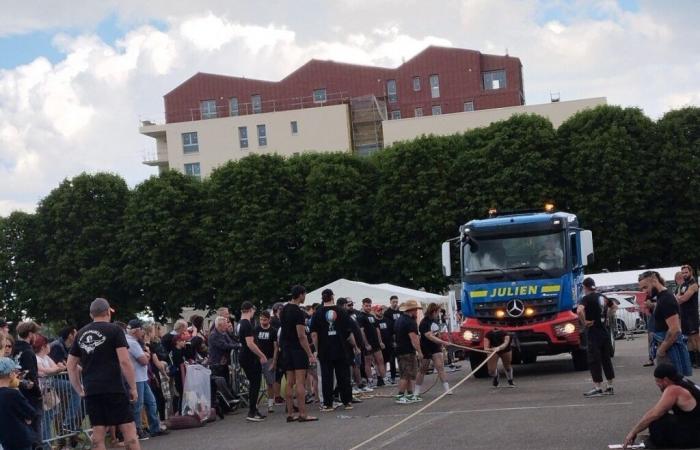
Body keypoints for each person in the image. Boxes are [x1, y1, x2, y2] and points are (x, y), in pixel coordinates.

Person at [67, 298, 141, 450]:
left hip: (92, 389)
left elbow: (70, 364)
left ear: (91, 314)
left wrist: (78, 389)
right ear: (108, 312)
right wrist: (133, 387)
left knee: (98, 437)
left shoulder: (80, 333)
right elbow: (125, 362)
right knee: (129, 434)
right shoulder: (115, 330)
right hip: (114, 388)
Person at [623, 363, 700, 449]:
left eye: (657, 381)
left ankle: (658, 443)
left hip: (695, 436)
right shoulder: (685, 382)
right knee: (664, 417)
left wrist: (633, 432)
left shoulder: (673, 389)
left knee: (656, 422)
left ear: (666, 380)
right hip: (694, 425)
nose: (657, 384)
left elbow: (654, 414)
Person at [639, 271, 692, 376]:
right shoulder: (661, 297)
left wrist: (661, 350)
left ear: (654, 280)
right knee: (670, 384)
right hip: (668, 347)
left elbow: (675, 329)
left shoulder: (666, 298)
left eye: (645, 287)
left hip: (669, 349)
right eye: (642, 289)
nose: (644, 291)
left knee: (671, 384)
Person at [311, 289, 356, 412]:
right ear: (332, 297)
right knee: (344, 376)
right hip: (341, 348)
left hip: (325, 350)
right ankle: (347, 402)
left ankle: (328, 404)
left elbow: (314, 335)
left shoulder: (317, 313)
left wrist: (317, 349)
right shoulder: (342, 311)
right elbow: (349, 333)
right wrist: (355, 347)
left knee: (327, 377)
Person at [280, 285, 317, 422]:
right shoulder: (298, 312)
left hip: (286, 348)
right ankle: (303, 413)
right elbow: (301, 336)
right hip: (297, 349)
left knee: (290, 382)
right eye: (304, 294)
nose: (305, 297)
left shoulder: (283, 310)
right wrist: (309, 354)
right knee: (300, 382)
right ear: (300, 295)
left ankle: (290, 413)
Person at [125, 319, 165, 439]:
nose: (143, 332)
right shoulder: (132, 343)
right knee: (138, 405)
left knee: (151, 402)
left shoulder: (134, 341)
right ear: (136, 330)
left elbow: (145, 357)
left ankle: (154, 427)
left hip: (142, 377)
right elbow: (143, 361)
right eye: (141, 330)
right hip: (136, 378)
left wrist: (146, 355)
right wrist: (147, 355)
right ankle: (138, 430)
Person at [577, 277, 616, 397]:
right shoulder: (602, 296)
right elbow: (614, 306)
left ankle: (597, 387)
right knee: (606, 359)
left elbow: (579, 311)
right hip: (604, 331)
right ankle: (610, 386)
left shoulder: (586, 298)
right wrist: (607, 317)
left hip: (593, 332)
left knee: (594, 360)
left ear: (585, 287)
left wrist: (584, 322)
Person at [12, 320, 43, 448]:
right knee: (35, 432)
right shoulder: (28, 352)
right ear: (30, 334)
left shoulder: (13, 350)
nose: (36, 337)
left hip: (16, 393)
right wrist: (38, 393)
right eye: (35, 334)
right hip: (30, 396)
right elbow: (31, 376)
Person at [415, 303, 453, 397]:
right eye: (438, 312)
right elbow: (430, 336)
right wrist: (443, 342)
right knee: (423, 369)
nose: (439, 314)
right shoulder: (424, 323)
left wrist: (442, 343)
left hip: (436, 347)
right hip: (426, 347)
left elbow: (437, 334)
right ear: (433, 312)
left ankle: (447, 389)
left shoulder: (435, 321)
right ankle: (416, 391)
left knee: (440, 367)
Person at [238, 301, 267, 422]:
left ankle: (254, 409)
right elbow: (250, 343)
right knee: (255, 384)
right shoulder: (247, 324)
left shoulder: (240, 323)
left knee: (253, 384)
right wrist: (262, 355)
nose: (254, 312)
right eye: (253, 310)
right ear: (250, 310)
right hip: (249, 357)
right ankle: (251, 412)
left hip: (245, 356)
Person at [0, 357, 36, 450]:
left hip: (4, 440)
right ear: (11, 374)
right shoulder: (13, 394)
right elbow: (31, 413)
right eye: (15, 372)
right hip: (19, 439)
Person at [394, 300, 423, 404]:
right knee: (406, 375)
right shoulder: (410, 322)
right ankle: (400, 395)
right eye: (416, 310)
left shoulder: (399, 320)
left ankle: (410, 394)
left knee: (407, 374)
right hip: (407, 350)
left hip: (400, 349)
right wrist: (419, 351)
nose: (417, 312)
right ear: (412, 310)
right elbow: (414, 339)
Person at [357, 298, 386, 388]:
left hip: (376, 343)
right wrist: (366, 344)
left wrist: (380, 341)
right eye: (366, 305)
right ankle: (370, 381)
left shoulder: (372, 316)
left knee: (380, 360)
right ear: (362, 306)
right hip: (367, 344)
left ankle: (382, 379)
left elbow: (377, 330)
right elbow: (361, 331)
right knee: (368, 362)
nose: (368, 307)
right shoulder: (360, 317)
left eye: (369, 305)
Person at [676, 264, 699, 368]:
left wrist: (678, 298)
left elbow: (683, 298)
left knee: (695, 339)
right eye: (683, 273)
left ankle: (698, 360)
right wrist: (679, 298)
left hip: (692, 315)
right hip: (684, 314)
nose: (684, 274)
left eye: (686, 272)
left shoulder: (694, 284)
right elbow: (678, 297)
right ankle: (692, 360)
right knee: (688, 339)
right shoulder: (683, 284)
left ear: (691, 272)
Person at [254, 310, 278, 413]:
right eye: (261, 319)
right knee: (256, 382)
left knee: (270, 383)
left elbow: (276, 347)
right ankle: (254, 404)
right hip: (258, 359)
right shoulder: (256, 329)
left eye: (265, 319)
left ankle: (270, 404)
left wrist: (274, 361)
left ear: (269, 319)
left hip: (269, 358)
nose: (262, 321)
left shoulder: (273, 331)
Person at [382, 296, 401, 384]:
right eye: (393, 302)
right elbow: (388, 327)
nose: (395, 303)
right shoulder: (387, 313)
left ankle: (403, 375)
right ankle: (392, 377)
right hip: (392, 338)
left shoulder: (400, 311)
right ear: (390, 302)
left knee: (401, 358)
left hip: (401, 337)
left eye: (396, 302)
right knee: (392, 359)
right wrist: (393, 340)